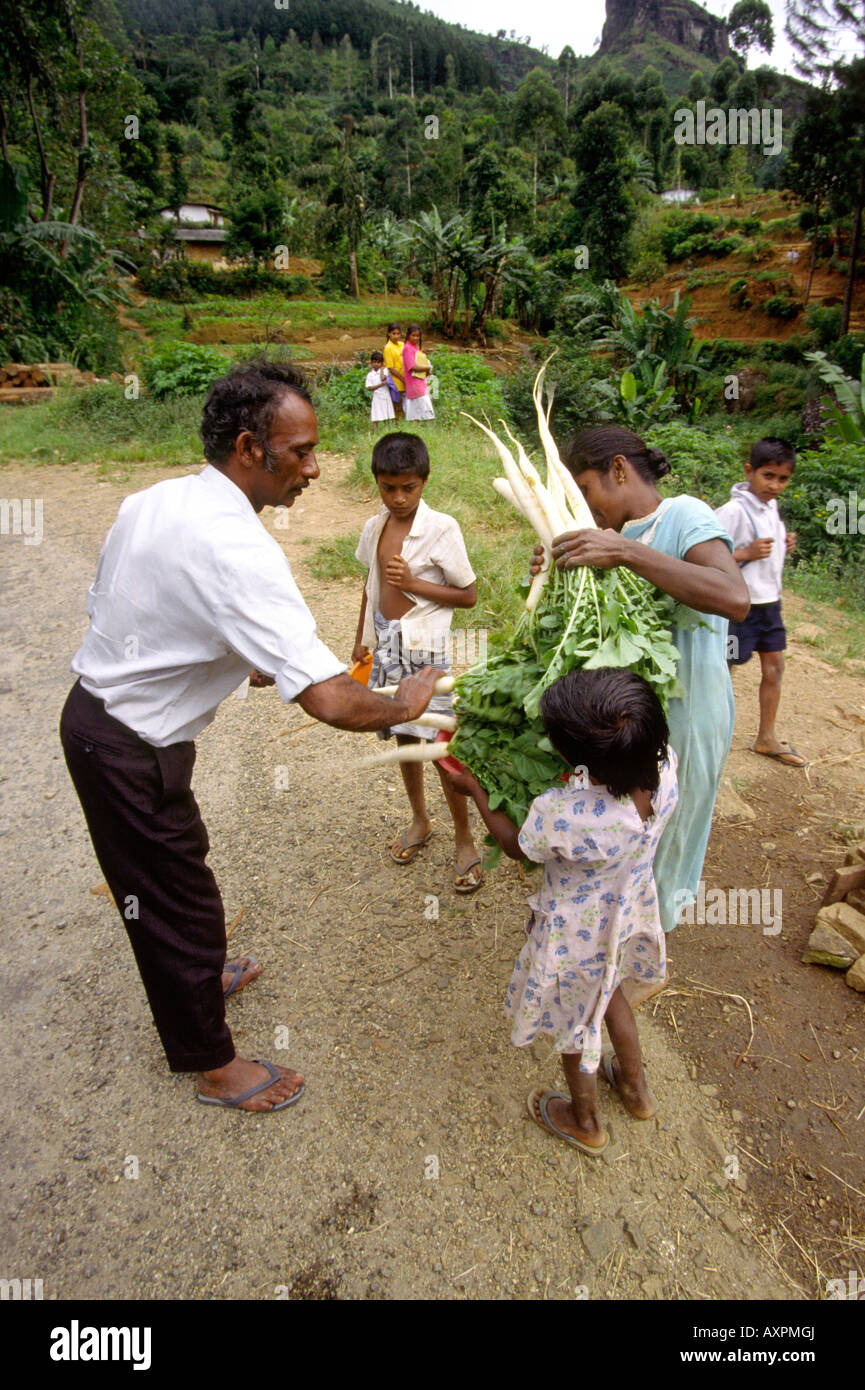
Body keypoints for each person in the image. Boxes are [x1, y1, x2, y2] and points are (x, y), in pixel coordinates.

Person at [60, 361, 442, 1114]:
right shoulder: (240, 549)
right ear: (247, 448)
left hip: (111, 724)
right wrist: (404, 700)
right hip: (125, 744)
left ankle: (203, 974)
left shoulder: (155, 499)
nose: (314, 468)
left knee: (184, 871)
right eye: (299, 451)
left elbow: (129, 597)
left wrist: (244, 652)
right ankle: (212, 1064)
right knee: (166, 898)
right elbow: (329, 700)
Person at [443, 668, 679, 1154]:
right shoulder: (667, 765)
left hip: (576, 936)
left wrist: (474, 788)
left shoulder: (562, 811)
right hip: (625, 912)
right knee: (608, 991)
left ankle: (585, 1120)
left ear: (577, 760)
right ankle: (636, 1090)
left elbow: (515, 846)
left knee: (578, 1024)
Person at [538, 426, 750, 943]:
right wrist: (552, 576)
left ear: (618, 469)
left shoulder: (685, 514)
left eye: (585, 490)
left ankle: (651, 943)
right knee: (627, 838)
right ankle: (615, 947)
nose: (585, 508)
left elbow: (733, 596)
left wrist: (626, 553)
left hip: (688, 716)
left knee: (669, 838)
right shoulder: (615, 536)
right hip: (629, 727)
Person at [352, 431, 483, 892]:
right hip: (386, 646)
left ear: (424, 481)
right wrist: (361, 641)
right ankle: (420, 819)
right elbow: (369, 587)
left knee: (442, 747)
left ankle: (465, 839)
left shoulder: (442, 528)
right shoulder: (374, 528)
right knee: (405, 736)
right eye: (389, 487)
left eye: (409, 487)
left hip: (425, 653)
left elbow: (467, 595)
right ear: (377, 483)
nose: (399, 497)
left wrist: (414, 582)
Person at [715, 439, 805, 767]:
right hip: (741, 606)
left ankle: (766, 737)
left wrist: (785, 543)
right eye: (768, 476)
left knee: (775, 667)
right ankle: (714, 734)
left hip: (770, 604)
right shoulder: (732, 511)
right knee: (724, 669)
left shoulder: (771, 508)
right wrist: (745, 553)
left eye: (783, 479)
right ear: (749, 471)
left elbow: (768, 547)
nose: (775, 485)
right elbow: (705, 553)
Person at [402, 323, 435, 423]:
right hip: (415, 385)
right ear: (408, 335)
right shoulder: (407, 348)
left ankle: (417, 433)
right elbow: (412, 367)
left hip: (419, 383)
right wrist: (427, 368)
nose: (416, 338)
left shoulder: (415, 348)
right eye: (413, 335)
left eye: (418, 336)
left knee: (414, 414)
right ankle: (430, 432)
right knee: (428, 413)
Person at [365, 349, 395, 432]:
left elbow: (383, 378)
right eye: (374, 362)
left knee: (387, 416)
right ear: (371, 363)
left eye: (378, 362)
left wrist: (382, 369)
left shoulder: (385, 371)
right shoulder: (370, 375)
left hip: (385, 396)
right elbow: (369, 387)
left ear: (382, 363)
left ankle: (388, 432)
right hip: (377, 397)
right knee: (375, 417)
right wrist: (380, 385)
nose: (376, 364)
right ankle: (375, 433)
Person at [383, 323, 405, 421]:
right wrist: (403, 379)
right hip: (396, 381)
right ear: (389, 334)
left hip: (405, 379)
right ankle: (397, 425)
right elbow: (390, 368)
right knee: (397, 404)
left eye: (398, 334)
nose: (396, 336)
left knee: (406, 404)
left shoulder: (402, 345)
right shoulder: (388, 348)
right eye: (394, 333)